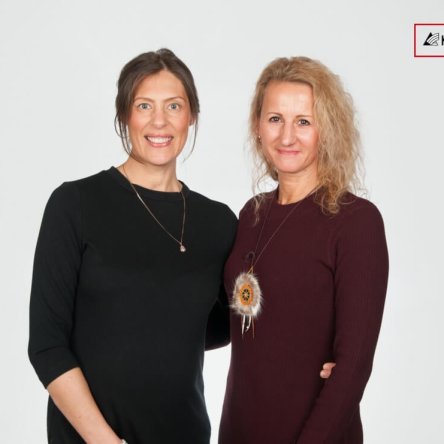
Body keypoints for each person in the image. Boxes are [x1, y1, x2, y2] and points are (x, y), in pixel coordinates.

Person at [28, 48, 238, 444]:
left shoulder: (219, 222)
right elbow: (47, 345)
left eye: (174, 106)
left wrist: (321, 355)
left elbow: (229, 326)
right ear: (125, 115)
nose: (160, 121)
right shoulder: (76, 204)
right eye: (144, 105)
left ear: (192, 115)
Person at [219, 56, 389, 443]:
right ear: (257, 126)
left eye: (304, 122)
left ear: (327, 129)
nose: (287, 137)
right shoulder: (251, 215)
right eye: (275, 119)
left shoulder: (355, 222)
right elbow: (226, 324)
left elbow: (353, 367)